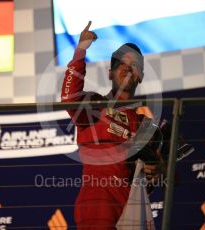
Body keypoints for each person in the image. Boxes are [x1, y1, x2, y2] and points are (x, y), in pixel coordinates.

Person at [61, 21, 162, 229]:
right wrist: (80, 51)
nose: (127, 67)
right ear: (110, 73)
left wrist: (156, 171)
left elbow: (159, 177)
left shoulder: (146, 125)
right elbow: (69, 98)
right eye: (121, 64)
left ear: (140, 76)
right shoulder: (94, 106)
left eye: (134, 65)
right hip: (98, 205)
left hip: (134, 209)